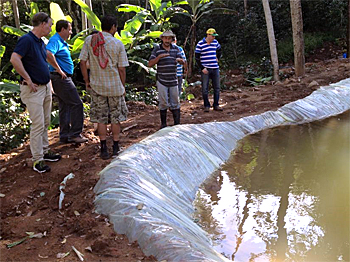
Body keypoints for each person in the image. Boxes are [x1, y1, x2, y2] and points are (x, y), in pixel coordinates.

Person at [10, 12, 61, 173]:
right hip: (33, 89)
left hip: (44, 87)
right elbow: (14, 59)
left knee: (46, 122)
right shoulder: (26, 40)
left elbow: (46, 58)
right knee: (38, 124)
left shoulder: (39, 42)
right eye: (50, 24)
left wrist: (54, 76)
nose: (51, 28)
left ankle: (45, 152)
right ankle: (37, 159)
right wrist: (28, 78)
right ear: (42, 24)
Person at [79, 15, 129, 160]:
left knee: (100, 119)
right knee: (115, 118)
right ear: (113, 27)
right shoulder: (117, 44)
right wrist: (122, 85)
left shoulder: (90, 40)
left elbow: (82, 62)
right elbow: (122, 69)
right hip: (115, 87)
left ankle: (103, 148)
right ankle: (115, 146)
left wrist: (86, 80)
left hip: (97, 86)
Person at [46, 20, 88, 144]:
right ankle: (75, 134)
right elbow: (48, 53)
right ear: (62, 29)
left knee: (65, 106)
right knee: (77, 104)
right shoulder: (55, 41)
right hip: (61, 78)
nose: (71, 32)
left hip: (60, 77)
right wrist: (59, 70)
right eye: (69, 29)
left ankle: (64, 135)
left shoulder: (61, 42)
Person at [148, 30, 185, 128]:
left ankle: (177, 124)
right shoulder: (157, 49)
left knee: (175, 102)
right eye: (165, 38)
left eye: (169, 38)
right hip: (162, 80)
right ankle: (163, 125)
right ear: (162, 39)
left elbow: (183, 62)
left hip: (173, 79)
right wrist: (159, 57)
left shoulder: (176, 49)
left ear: (172, 39)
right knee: (163, 102)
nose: (167, 40)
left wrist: (180, 61)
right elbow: (150, 64)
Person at [195, 28, 223, 112]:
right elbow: (197, 57)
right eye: (212, 36)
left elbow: (219, 50)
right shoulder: (200, 44)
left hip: (215, 67)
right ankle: (207, 105)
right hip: (205, 69)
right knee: (205, 88)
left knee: (217, 87)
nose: (213, 38)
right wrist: (202, 68)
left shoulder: (215, 42)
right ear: (208, 35)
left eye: (214, 36)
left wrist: (217, 58)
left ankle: (216, 104)